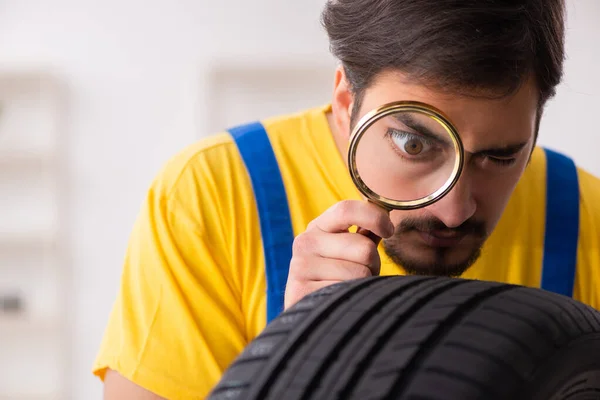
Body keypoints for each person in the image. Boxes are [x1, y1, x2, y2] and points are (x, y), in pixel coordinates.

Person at [94, 0, 600, 399]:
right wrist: (297, 354)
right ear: (345, 105)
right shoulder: (212, 194)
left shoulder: (587, 214)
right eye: (414, 144)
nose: (453, 209)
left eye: (501, 156)